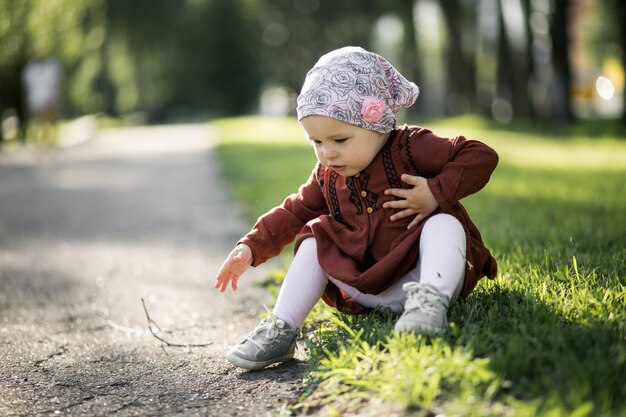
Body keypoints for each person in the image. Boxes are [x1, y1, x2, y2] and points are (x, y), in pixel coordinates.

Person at [215, 46, 498, 371]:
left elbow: (479, 155)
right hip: (371, 286)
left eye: (340, 140)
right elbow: (294, 211)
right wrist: (250, 247)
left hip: (428, 274)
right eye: (316, 142)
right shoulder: (327, 175)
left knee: (444, 222)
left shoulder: (409, 146)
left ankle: (429, 305)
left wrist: (435, 192)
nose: (327, 154)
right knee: (315, 236)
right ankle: (282, 327)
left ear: (376, 123)